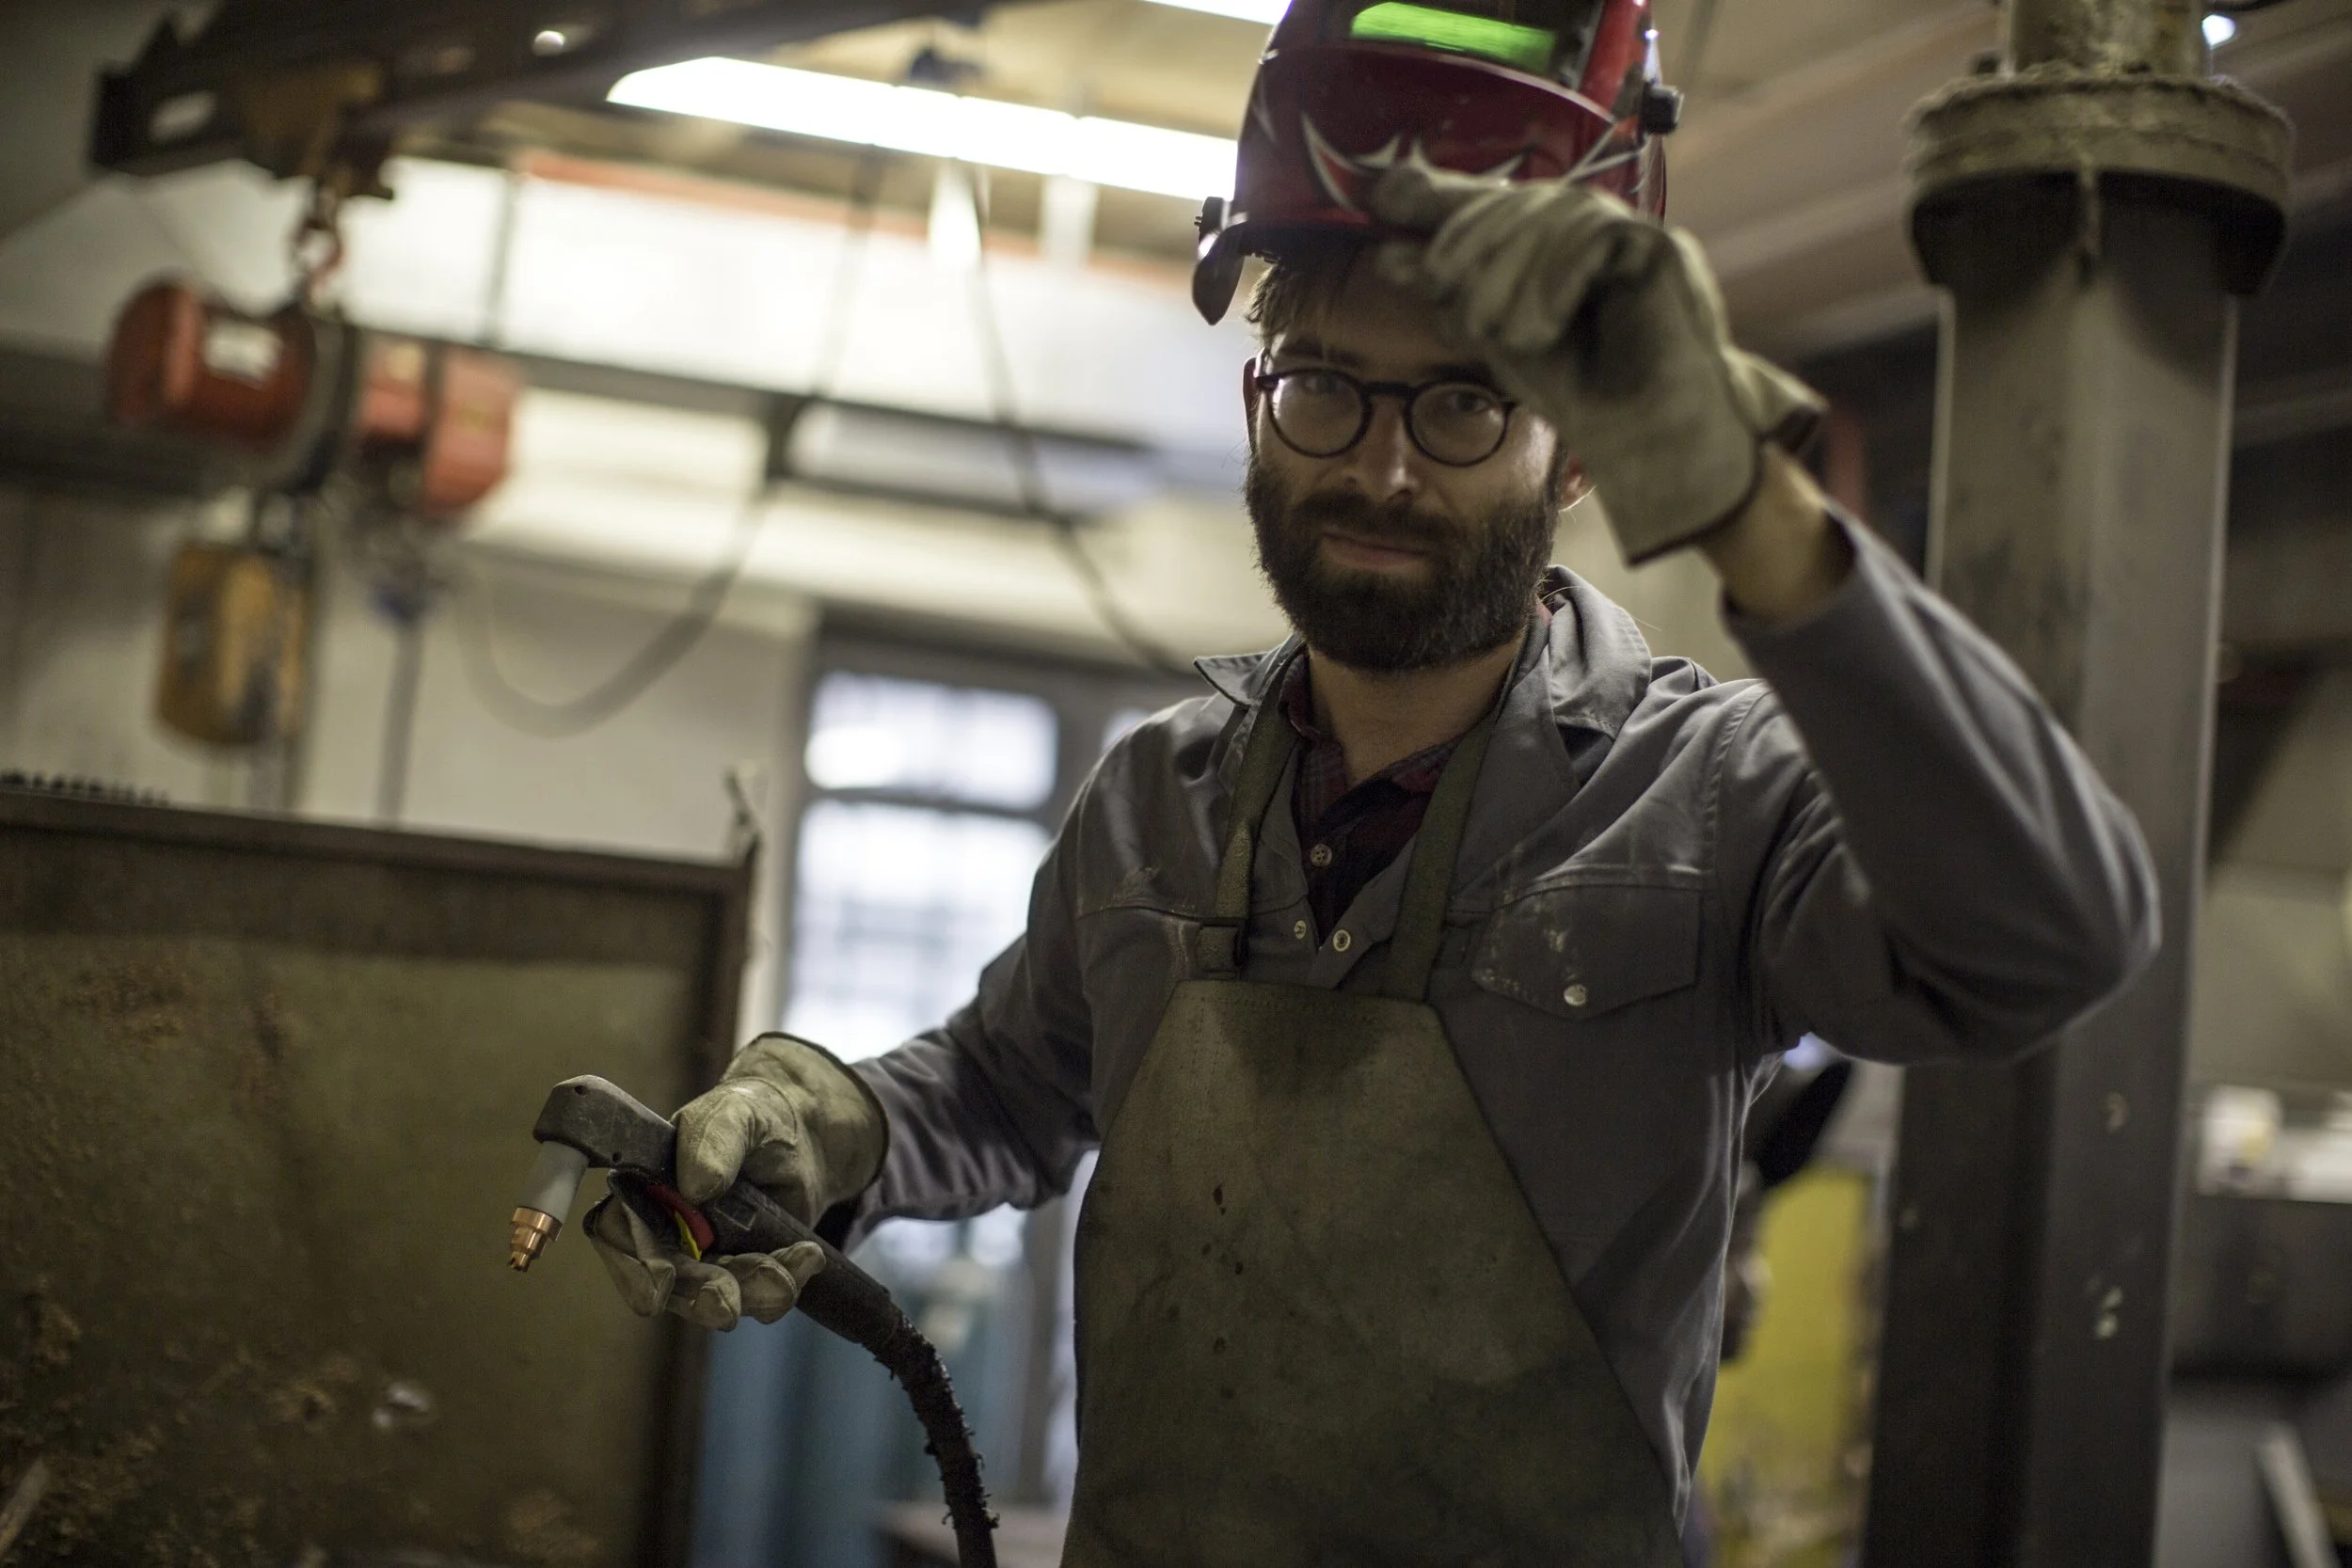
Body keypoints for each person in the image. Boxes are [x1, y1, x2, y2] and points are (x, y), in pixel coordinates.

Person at [587, 139, 2158, 1568]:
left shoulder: (1717, 797)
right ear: (1259, 398)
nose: (1384, 470)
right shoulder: (1155, 796)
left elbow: (2051, 934)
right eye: (1327, 387)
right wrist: (833, 1115)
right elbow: (1010, 1080)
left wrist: (1756, 509)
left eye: (1466, 403)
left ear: (1584, 451)